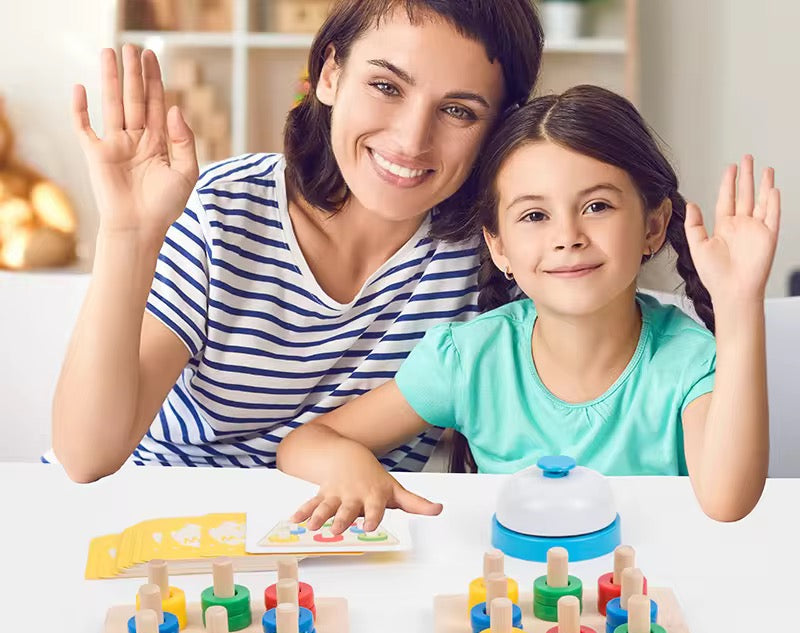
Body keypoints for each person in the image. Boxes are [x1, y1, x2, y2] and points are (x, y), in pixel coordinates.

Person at [51, 0, 544, 481]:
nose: (412, 139)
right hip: (159, 519)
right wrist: (127, 232)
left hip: (343, 543)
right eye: (385, 86)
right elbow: (87, 458)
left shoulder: (493, 254)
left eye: (458, 110)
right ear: (330, 75)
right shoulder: (225, 209)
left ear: (498, 126)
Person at [277, 85, 781, 528]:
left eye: (597, 206)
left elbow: (727, 500)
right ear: (499, 247)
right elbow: (305, 443)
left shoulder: (687, 361)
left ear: (652, 226)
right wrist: (357, 469)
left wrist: (739, 305)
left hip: (643, 610)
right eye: (535, 215)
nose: (568, 237)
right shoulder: (472, 358)